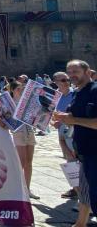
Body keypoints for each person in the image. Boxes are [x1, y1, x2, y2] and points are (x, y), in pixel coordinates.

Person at [53, 60, 97, 227]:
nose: (71, 75)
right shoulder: (78, 93)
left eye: (75, 71)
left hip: (95, 151)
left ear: (87, 71)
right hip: (82, 151)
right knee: (85, 192)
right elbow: (75, 120)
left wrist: (73, 120)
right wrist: (63, 120)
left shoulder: (95, 91)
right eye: (68, 72)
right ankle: (80, 223)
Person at [7, 80, 39, 200]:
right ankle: (17, 188)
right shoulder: (10, 103)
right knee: (21, 161)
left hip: (29, 131)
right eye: (18, 89)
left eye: (22, 89)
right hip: (18, 132)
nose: (20, 91)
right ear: (13, 90)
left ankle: (27, 189)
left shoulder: (27, 103)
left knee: (29, 162)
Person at [51, 71, 77, 199]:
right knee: (70, 160)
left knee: (80, 160)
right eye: (63, 80)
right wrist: (54, 122)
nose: (67, 82)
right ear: (55, 82)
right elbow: (53, 114)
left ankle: (84, 189)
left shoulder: (76, 94)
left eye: (67, 79)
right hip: (63, 132)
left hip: (76, 132)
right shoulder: (55, 97)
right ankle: (75, 189)